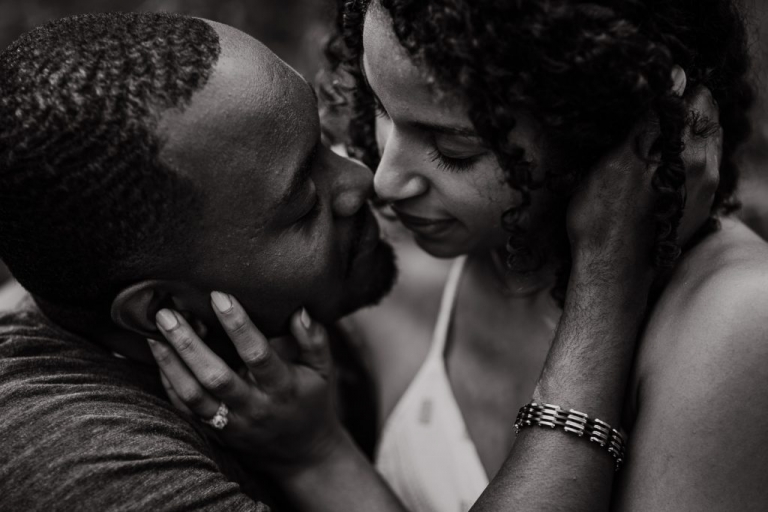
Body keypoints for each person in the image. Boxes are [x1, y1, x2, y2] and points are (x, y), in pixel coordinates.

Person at [152, 1, 768, 511]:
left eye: (454, 147)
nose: (385, 183)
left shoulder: (736, 321)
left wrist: (605, 278)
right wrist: (316, 454)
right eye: (383, 109)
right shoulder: (400, 271)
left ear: (608, 135)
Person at [0, 12, 397, 511]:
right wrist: (315, 456)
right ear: (163, 307)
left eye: (323, 144)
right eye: (304, 206)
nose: (362, 180)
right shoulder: (87, 465)